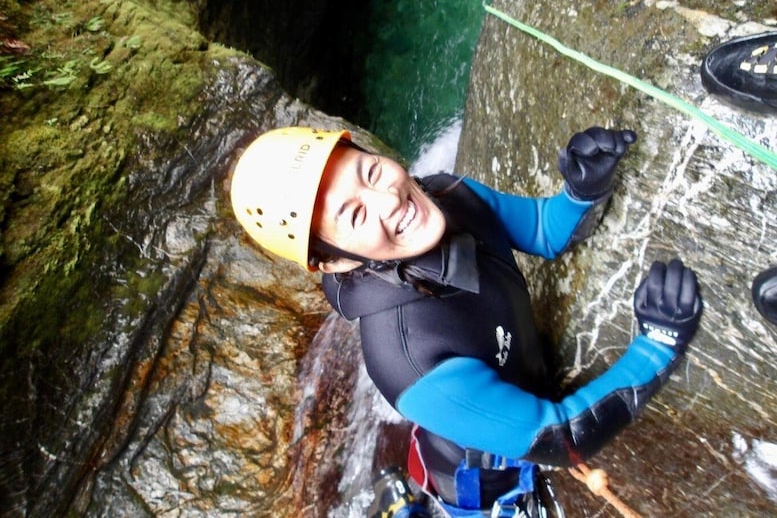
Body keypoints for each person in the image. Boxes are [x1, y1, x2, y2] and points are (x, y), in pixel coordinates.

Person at [230, 126, 703, 517]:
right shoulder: (409, 361)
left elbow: (539, 228)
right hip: (484, 485)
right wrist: (656, 346)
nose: (388, 200)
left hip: (475, 413)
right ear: (332, 263)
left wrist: (582, 191)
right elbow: (561, 438)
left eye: (371, 171)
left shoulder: (447, 195)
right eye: (354, 215)